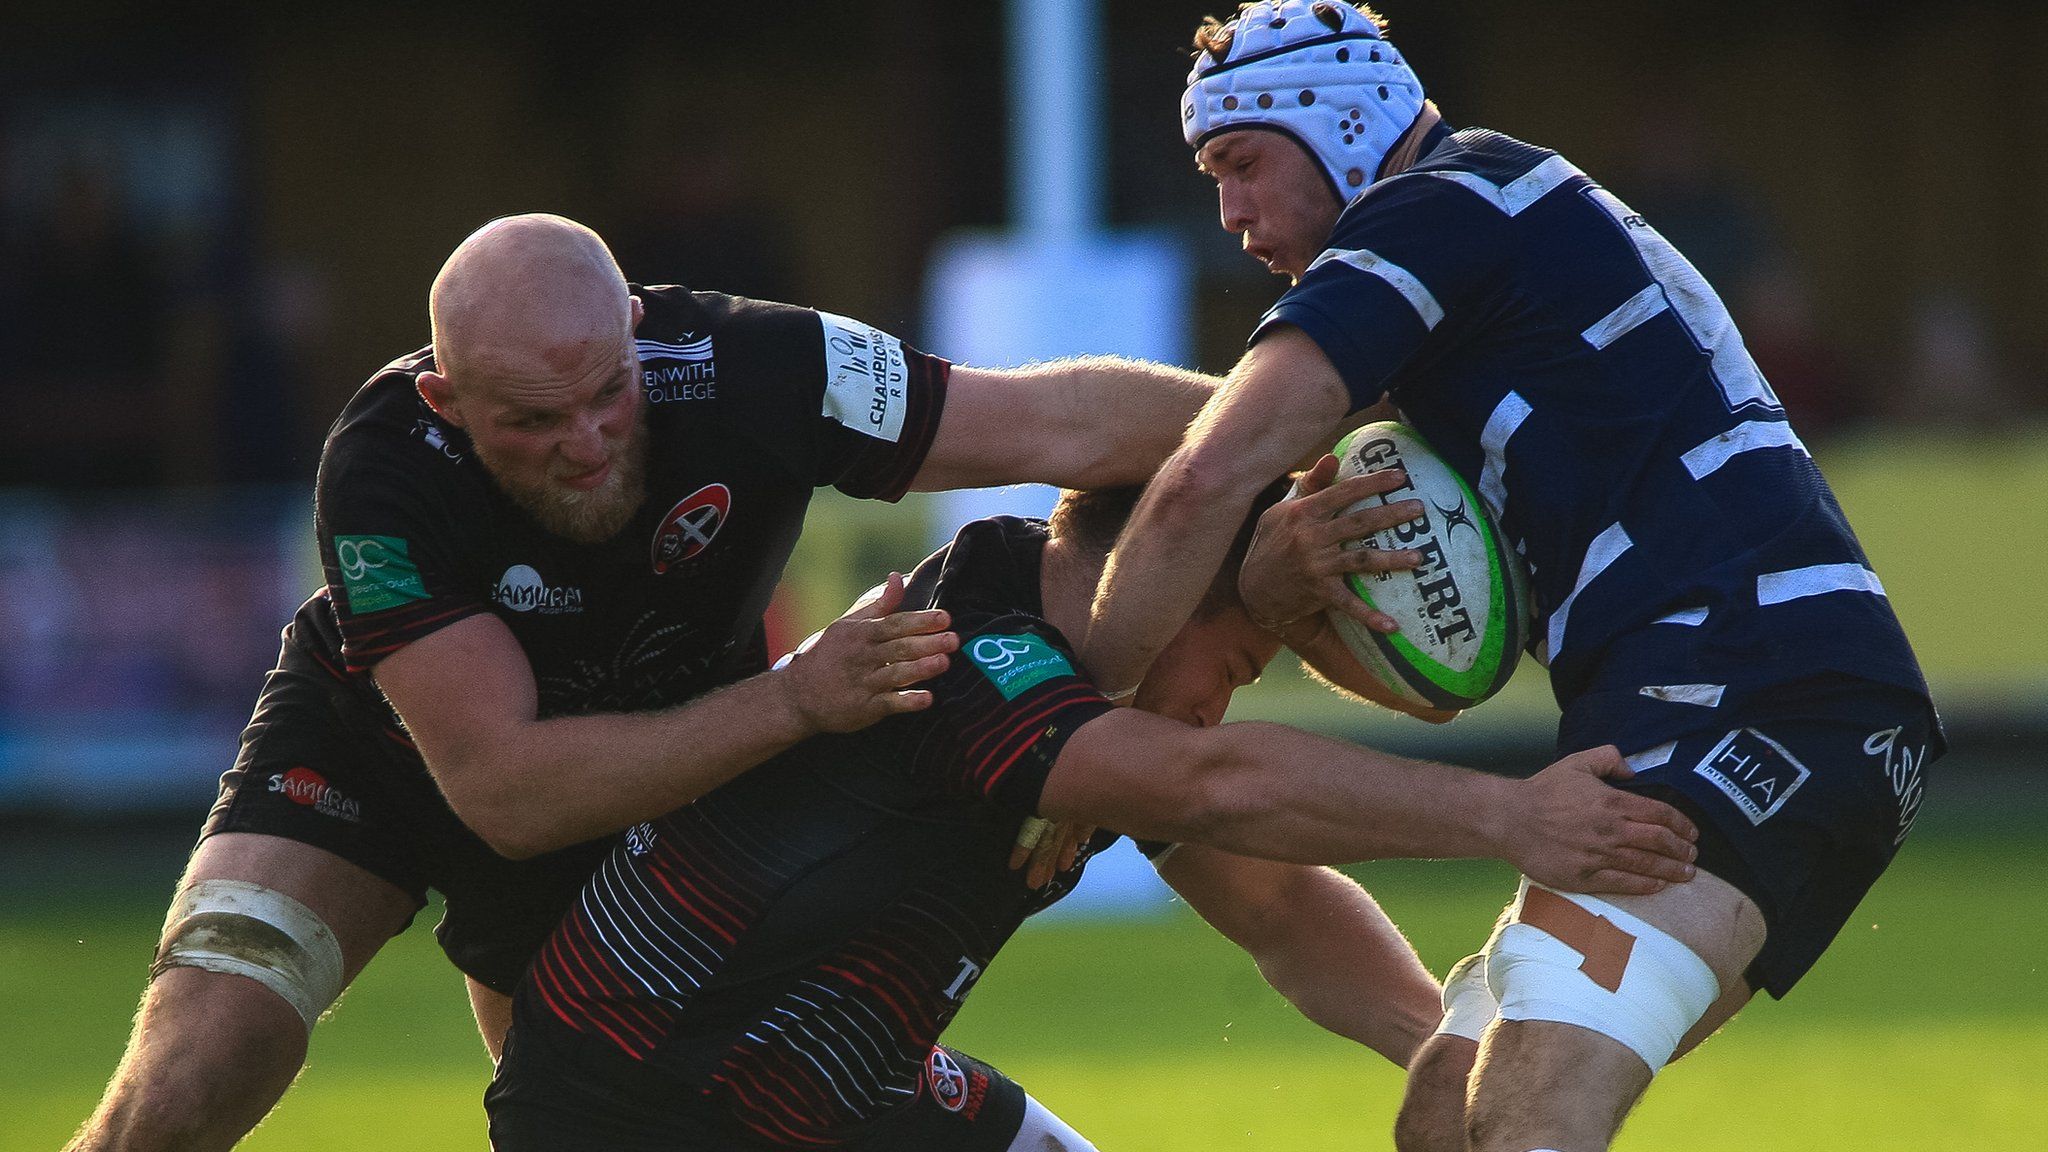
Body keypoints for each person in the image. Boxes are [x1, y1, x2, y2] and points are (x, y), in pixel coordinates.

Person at [64, 213, 1236, 1152]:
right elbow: (505, 792)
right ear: (447, 399)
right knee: (204, 1060)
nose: (585, 441)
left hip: (646, 777)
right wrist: (790, 700)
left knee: (642, 1119)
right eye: (531, 420)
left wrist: (1304, 433)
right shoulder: (382, 469)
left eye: (607, 393)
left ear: (634, 329)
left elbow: (1059, 425)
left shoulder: (760, 366)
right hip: (388, 748)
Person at [1080, 5, 1945, 1150]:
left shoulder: (1433, 212)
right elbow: (1451, 672)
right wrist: (1286, 597)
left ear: (1340, 123)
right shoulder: (1491, 267)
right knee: (1443, 1118)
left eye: (1241, 165)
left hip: (1751, 689)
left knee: (1525, 1115)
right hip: (1751, 696)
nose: (1231, 215)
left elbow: (1205, 474)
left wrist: (1080, 710)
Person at [484, 483, 1702, 1151]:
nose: (1220, 706)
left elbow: (1275, 902)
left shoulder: (1097, 692)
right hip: (641, 1107)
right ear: (1162, 581)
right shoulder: (967, 650)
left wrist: (1454, 1058)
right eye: (1234, 660)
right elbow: (1212, 789)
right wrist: (1509, 816)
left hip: (832, 1090)